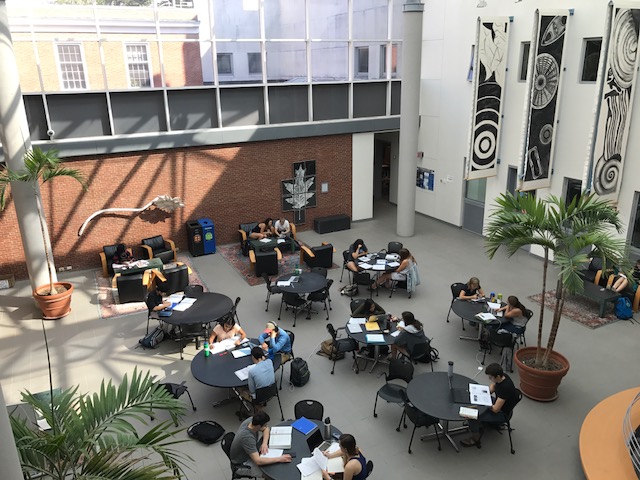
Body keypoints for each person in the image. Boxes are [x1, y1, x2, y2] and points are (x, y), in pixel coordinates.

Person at [460, 363, 519, 447]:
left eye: (491, 377)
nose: (489, 379)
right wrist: (487, 392)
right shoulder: (503, 377)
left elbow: (495, 409)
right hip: (498, 403)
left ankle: (475, 438)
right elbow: (494, 386)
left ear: (497, 376)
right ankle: (477, 423)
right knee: (475, 402)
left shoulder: (505, 388)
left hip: (502, 414)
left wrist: (485, 402)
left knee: (471, 415)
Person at [229, 411, 292, 478]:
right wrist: (280, 458)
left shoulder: (252, 420)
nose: (266, 426)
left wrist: (264, 443)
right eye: (265, 424)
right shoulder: (247, 438)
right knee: (272, 475)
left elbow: (266, 429)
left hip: (250, 454)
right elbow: (258, 461)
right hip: (242, 464)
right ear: (259, 426)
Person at [235, 347, 275, 412]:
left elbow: (252, 390)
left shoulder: (252, 371)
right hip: (272, 390)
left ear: (253, 357)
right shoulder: (270, 362)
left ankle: (258, 409)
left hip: (260, 396)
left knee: (239, 389)